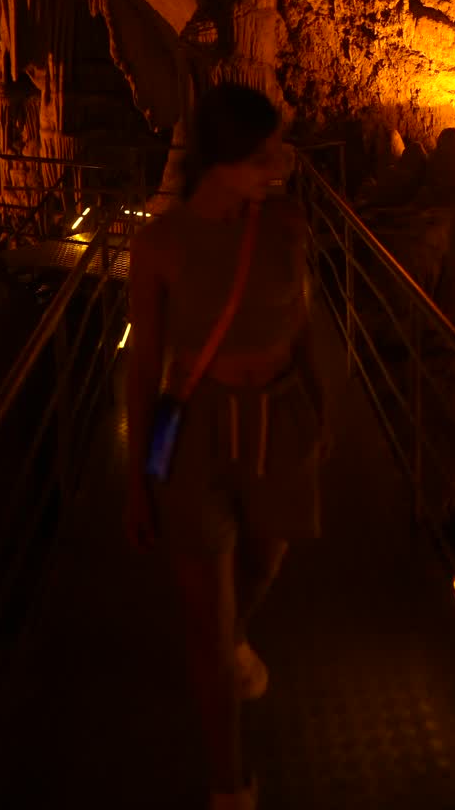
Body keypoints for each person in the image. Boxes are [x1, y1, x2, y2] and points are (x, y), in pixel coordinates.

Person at [124, 81, 328, 810]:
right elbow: (145, 365)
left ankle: (230, 636)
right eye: (264, 153)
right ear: (225, 161)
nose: (279, 163)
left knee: (269, 551)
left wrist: (320, 405)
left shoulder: (286, 223)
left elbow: (302, 320)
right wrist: (138, 478)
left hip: (279, 415)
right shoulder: (160, 245)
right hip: (197, 431)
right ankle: (229, 786)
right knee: (206, 622)